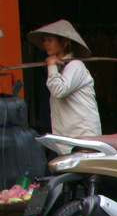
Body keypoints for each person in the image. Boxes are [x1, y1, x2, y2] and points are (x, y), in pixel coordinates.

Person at [27, 19, 102, 153]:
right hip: (68, 138)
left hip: (83, 136)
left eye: (50, 40)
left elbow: (59, 90)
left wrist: (51, 66)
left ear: (64, 42)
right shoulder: (60, 68)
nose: (46, 44)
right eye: (44, 41)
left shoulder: (75, 66)